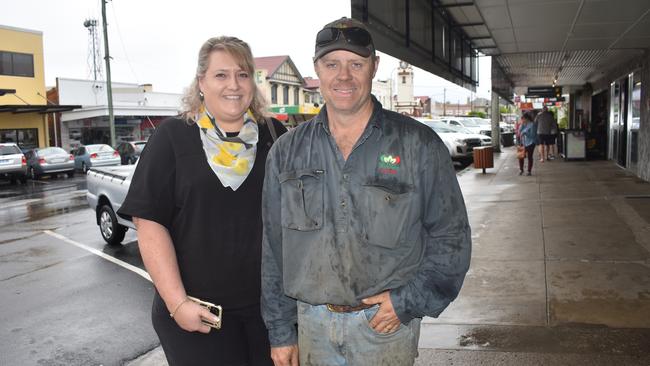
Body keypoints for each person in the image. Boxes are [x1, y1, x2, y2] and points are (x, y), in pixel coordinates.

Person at [261, 17, 471, 366]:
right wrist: (280, 330)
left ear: (374, 66)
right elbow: (272, 247)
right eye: (332, 64)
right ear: (317, 69)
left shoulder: (419, 145)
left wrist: (407, 302)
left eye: (355, 64)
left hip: (384, 329)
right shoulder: (286, 152)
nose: (344, 76)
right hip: (311, 325)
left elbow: (452, 238)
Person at [117, 36, 285, 365]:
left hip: (269, 317)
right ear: (201, 82)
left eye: (243, 74)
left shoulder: (276, 136)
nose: (233, 85)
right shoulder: (172, 137)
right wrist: (178, 303)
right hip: (198, 318)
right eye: (221, 75)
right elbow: (149, 224)